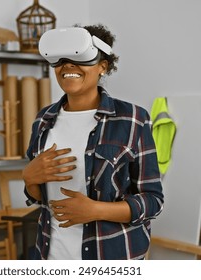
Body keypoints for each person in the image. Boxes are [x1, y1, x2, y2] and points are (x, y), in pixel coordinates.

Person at [22, 24, 164, 260]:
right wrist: (29, 178)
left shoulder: (133, 119)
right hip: (50, 254)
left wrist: (96, 210)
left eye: (80, 57)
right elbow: (39, 198)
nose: (68, 65)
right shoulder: (43, 120)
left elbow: (153, 201)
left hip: (111, 256)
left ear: (103, 66)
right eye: (61, 60)